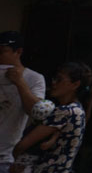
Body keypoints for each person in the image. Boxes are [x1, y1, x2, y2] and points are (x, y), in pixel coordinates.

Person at [13, 62, 92, 173]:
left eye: (59, 80)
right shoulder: (77, 109)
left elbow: (22, 145)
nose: (53, 83)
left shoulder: (65, 112)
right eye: (54, 78)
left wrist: (15, 161)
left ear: (75, 84)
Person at [1, 32, 46, 173]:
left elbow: (35, 112)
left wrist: (20, 82)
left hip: (4, 156)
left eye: (2, 51)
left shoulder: (34, 78)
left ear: (18, 52)